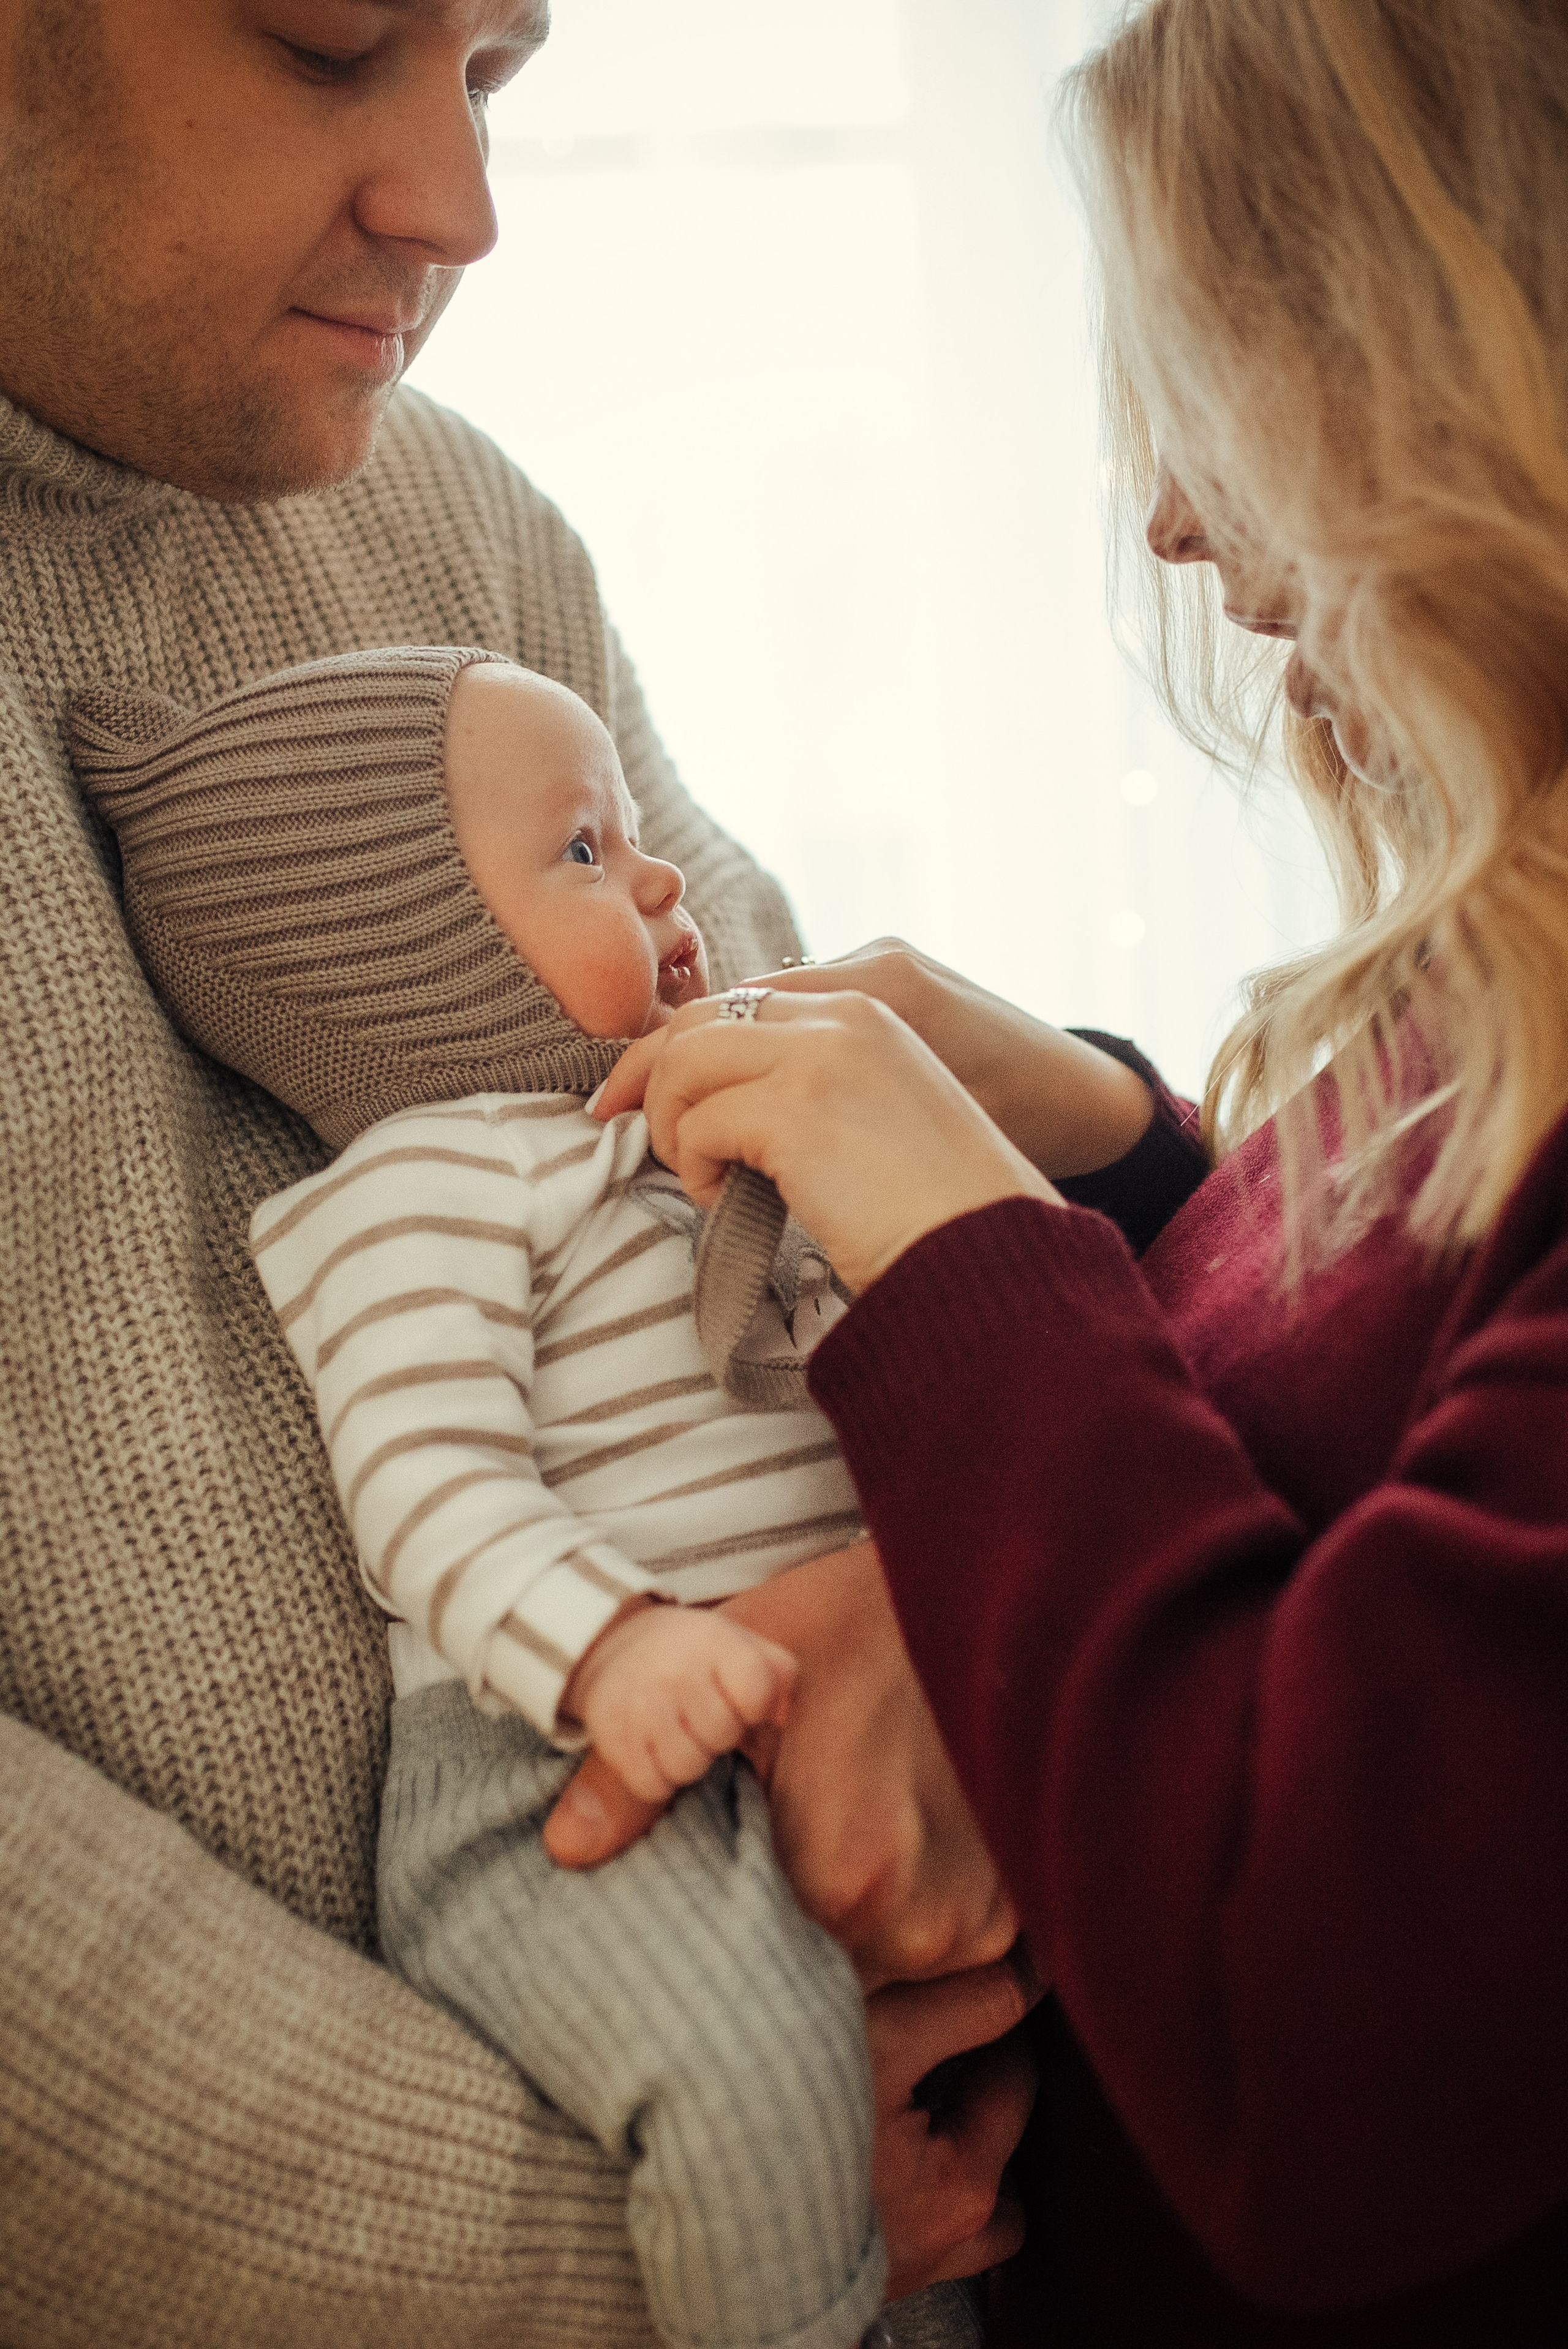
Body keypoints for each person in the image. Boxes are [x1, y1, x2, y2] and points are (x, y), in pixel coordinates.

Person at [0, 2, 1058, 2339]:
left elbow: (792, 1166)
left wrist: (953, 1611)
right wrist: (701, 2212)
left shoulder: (445, 510)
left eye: (488, 70)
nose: (460, 208)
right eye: (331, 43)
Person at [549, 0, 1568, 2340]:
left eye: (1227, 374)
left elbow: (1329, 2051)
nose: (1177, 520)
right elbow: (1415, 1428)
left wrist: (971, 1263)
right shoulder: (1504, 947)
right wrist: (1123, 1171)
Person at [67, 638, 989, 2349]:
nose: (657, 875)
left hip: (781, 1708)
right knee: (752, 2067)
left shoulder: (688, 1130)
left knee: (928, 2103)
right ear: (396, 952)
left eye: (632, 832)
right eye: (581, 852)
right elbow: (423, 1486)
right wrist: (616, 1647)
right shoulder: (424, 1183)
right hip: (552, 1766)